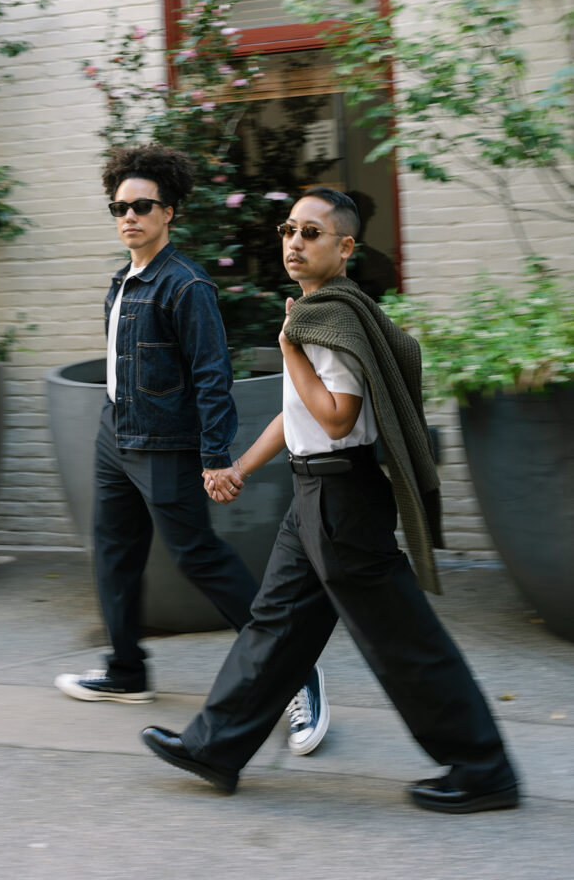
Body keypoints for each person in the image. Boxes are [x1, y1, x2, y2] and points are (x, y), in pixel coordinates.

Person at [141, 185, 520, 813]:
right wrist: (241, 465)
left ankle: (484, 770)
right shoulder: (323, 311)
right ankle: (215, 746)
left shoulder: (329, 319)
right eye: (289, 230)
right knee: (276, 625)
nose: (294, 242)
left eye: (311, 233)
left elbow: (337, 417)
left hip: (342, 499)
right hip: (316, 492)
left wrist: (291, 348)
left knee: (402, 641)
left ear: (344, 247)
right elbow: (299, 418)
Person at [54, 143, 329, 756]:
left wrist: (213, 458)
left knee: (199, 556)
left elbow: (211, 377)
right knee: (113, 552)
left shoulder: (186, 286)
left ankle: (296, 674)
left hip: (164, 445)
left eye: (142, 206)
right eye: (118, 207)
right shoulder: (121, 283)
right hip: (115, 434)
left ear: (168, 211)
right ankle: (126, 670)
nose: (129, 216)